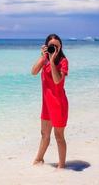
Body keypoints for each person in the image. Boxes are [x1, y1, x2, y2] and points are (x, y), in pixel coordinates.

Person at [31, 34, 69, 168]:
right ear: (47, 47)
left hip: (58, 104)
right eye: (51, 46)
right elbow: (33, 72)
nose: (54, 48)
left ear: (60, 47)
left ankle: (61, 167)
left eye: (57, 46)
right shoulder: (44, 59)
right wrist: (43, 57)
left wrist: (52, 61)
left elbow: (57, 80)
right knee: (44, 134)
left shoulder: (63, 61)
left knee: (59, 136)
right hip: (47, 104)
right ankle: (38, 160)